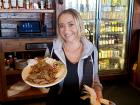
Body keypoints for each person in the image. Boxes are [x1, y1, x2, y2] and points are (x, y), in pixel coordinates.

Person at [45, 8, 103, 105]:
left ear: (79, 25)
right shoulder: (52, 50)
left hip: (83, 102)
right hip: (56, 101)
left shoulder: (92, 50)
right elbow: (45, 81)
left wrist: (98, 89)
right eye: (61, 26)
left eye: (71, 24)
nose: (66, 30)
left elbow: (95, 77)